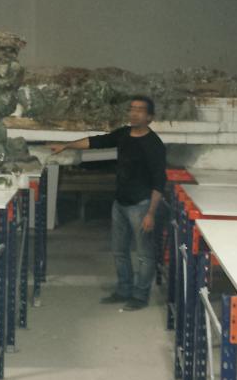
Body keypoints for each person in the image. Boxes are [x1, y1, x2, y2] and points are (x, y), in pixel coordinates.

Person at [50, 96, 167, 311]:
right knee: (119, 251)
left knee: (144, 254)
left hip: (141, 205)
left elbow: (159, 181)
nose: (134, 113)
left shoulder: (154, 145)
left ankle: (140, 296)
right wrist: (66, 146)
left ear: (150, 117)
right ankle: (124, 290)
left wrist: (151, 212)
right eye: (131, 109)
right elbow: (96, 142)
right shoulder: (123, 134)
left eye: (140, 110)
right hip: (120, 203)